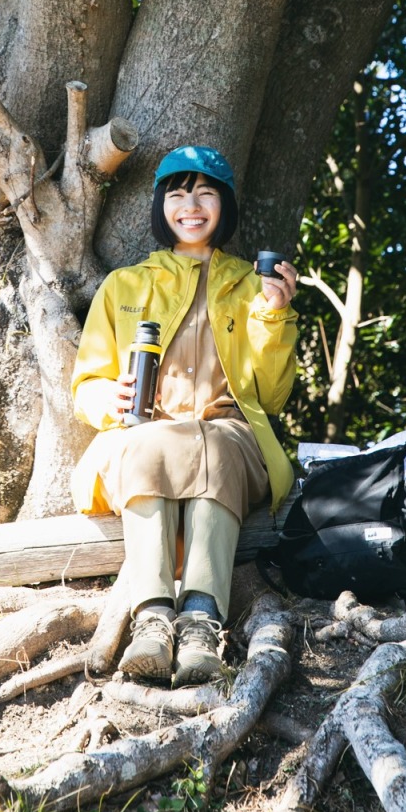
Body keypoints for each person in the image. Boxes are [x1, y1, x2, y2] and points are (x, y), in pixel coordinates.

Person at [71, 145, 298, 687]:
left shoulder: (254, 287)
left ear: (225, 205)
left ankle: (200, 623)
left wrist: (275, 315)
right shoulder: (125, 286)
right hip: (142, 435)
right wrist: (111, 398)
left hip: (230, 436)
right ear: (160, 206)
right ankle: (152, 620)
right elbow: (86, 386)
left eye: (205, 193)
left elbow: (271, 397)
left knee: (213, 444)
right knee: (150, 444)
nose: (191, 206)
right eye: (177, 194)